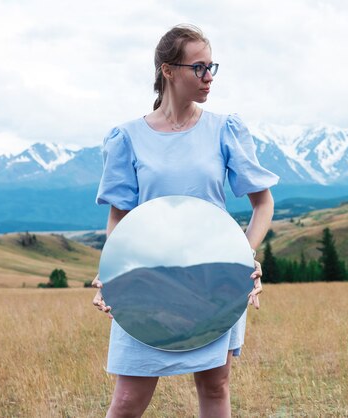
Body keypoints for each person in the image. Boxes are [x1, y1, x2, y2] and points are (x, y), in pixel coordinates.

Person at [91, 24, 278, 417]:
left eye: (212, 67)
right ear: (168, 71)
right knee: (127, 399)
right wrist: (112, 273)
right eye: (199, 68)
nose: (208, 77)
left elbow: (263, 203)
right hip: (147, 281)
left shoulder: (225, 129)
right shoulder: (127, 138)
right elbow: (119, 217)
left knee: (215, 385)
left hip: (212, 281)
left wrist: (243, 257)